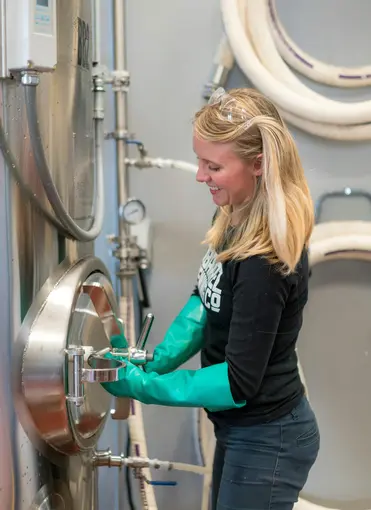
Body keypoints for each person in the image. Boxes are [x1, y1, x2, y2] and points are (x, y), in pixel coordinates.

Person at [102, 87, 320, 509]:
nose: (200, 176)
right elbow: (207, 297)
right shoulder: (233, 210)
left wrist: (148, 387)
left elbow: (238, 382)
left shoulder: (264, 259)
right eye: (200, 161)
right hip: (244, 432)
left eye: (213, 166)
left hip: (268, 437)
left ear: (258, 164)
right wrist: (158, 357)